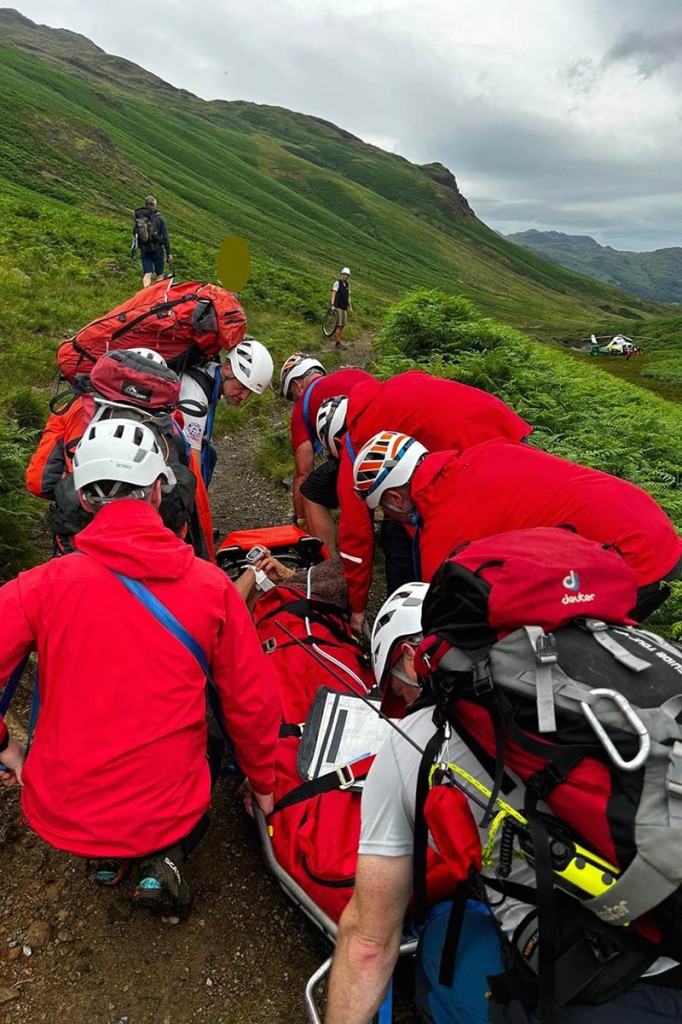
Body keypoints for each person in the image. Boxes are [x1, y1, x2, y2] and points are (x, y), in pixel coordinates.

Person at [325, 639, 682, 1024]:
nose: (401, 698)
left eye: (395, 688)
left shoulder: (408, 743)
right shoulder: (596, 677)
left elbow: (368, 944)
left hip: (612, 990)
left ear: (411, 658)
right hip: (670, 921)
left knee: (439, 943)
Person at [2, 419, 279, 913]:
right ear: (157, 491)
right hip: (170, 809)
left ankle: (104, 855)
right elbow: (250, 701)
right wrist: (263, 783)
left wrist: (8, 748)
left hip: (61, 808)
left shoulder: (36, 587)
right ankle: (161, 860)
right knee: (212, 728)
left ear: (83, 499)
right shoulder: (212, 587)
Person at [352, 432, 682, 622]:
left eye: (383, 508)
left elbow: (441, 624)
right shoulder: (484, 450)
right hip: (648, 519)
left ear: (395, 498)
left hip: (633, 561)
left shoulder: (443, 531)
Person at [315, 371, 532, 633]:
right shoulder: (393, 387)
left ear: (338, 441)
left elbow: (356, 536)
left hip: (476, 462)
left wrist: (357, 607)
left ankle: (412, 624)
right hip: (507, 434)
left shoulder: (353, 442)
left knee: (407, 539)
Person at [26, 348, 213, 559]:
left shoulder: (74, 408)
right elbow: (191, 497)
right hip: (155, 542)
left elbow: (39, 483)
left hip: (82, 539)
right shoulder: (169, 421)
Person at [279, 353, 373, 547]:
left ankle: (326, 560)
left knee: (310, 491)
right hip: (390, 445)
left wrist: (300, 520)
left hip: (356, 455)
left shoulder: (302, 407)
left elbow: (302, 472)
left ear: (297, 385)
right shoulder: (355, 374)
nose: (294, 402)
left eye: (291, 397)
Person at [178, 339, 274, 480]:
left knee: (210, 455)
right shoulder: (196, 400)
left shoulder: (209, 374)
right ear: (228, 368)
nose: (245, 397)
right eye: (242, 386)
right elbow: (193, 465)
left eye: (250, 392)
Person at [132, 195, 172, 288]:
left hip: (144, 249)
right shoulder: (160, 217)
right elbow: (165, 237)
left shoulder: (140, 218)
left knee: (147, 273)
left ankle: (146, 290)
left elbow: (135, 234)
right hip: (157, 249)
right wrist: (169, 253)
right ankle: (156, 296)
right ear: (154, 204)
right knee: (160, 275)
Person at [330, 267, 353, 349]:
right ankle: (337, 343)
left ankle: (339, 341)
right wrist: (332, 305)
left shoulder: (347, 284)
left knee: (343, 325)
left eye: (347, 275)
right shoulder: (337, 283)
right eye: (344, 274)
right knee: (339, 325)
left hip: (344, 307)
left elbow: (348, 297)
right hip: (338, 306)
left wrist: (350, 307)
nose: (346, 276)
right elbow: (333, 294)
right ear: (341, 274)